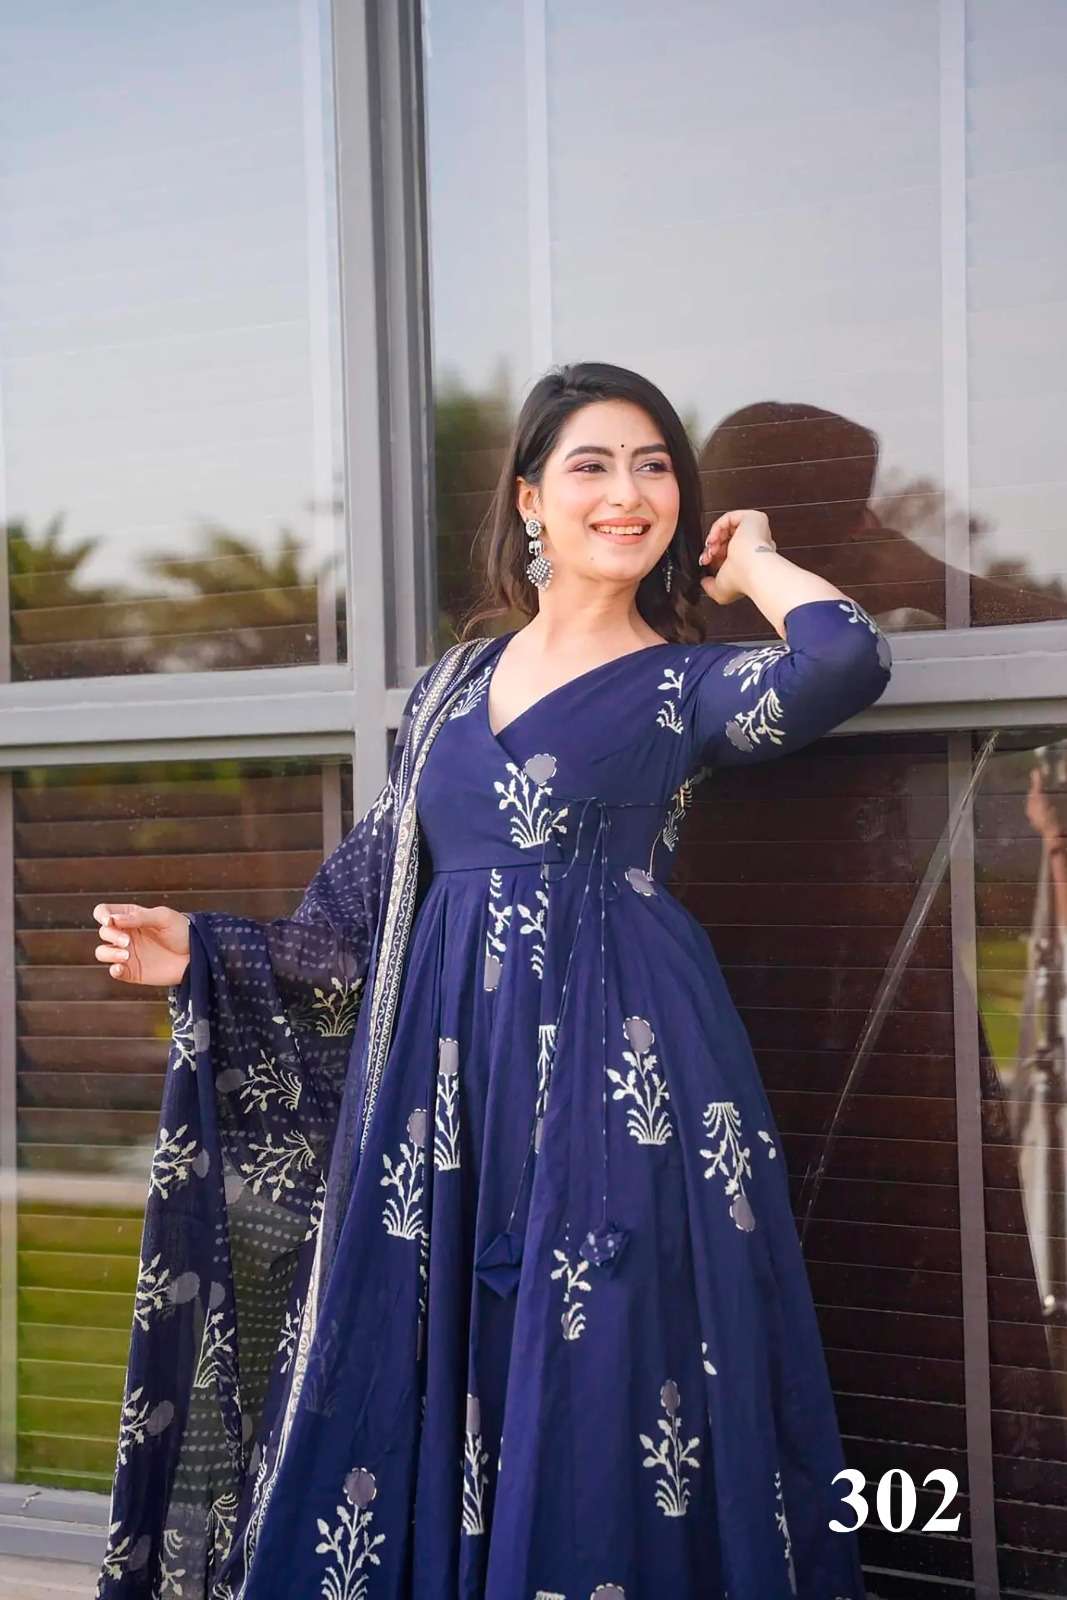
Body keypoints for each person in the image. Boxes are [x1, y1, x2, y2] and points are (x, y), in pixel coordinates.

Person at [90, 361, 891, 1599]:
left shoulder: (681, 684)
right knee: (435, 1370)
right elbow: (361, 906)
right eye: (591, 465)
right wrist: (203, 949)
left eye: (654, 467)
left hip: (622, 1079)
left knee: (601, 1369)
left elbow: (842, 660)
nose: (627, 493)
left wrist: (755, 561)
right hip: (447, 1097)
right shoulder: (450, 689)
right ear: (529, 498)